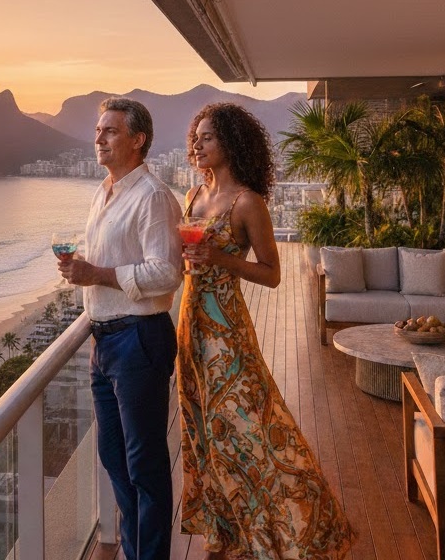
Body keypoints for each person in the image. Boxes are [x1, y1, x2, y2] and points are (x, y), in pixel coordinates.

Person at [177, 103, 355, 559]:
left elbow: (272, 273)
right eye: (195, 136)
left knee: (250, 426)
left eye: (208, 137)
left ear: (231, 143)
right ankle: (226, 531)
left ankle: (293, 527)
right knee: (203, 428)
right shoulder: (195, 196)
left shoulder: (247, 202)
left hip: (225, 328)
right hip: (189, 323)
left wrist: (218, 259)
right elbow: (183, 261)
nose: (197, 144)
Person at [59, 97, 182, 560]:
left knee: (144, 465)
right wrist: (81, 272)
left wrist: (99, 275)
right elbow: (107, 260)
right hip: (104, 341)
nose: (99, 137)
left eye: (110, 131)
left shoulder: (152, 197)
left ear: (137, 139)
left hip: (139, 340)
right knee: (114, 459)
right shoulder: (103, 191)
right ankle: (135, 552)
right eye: (98, 130)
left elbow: (167, 273)